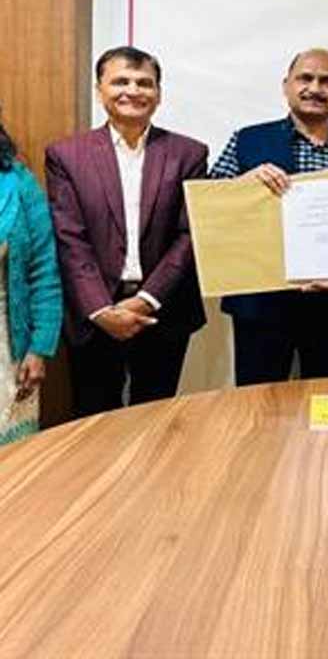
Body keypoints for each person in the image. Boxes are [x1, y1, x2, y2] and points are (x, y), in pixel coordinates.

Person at [210, 48, 328, 386]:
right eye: (305, 78)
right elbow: (211, 210)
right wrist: (244, 184)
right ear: (286, 86)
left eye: (327, 81)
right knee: (258, 403)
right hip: (260, 303)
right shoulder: (248, 140)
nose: (315, 88)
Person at [46, 46, 207, 416]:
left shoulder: (189, 153)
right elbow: (70, 238)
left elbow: (189, 234)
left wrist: (146, 299)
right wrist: (101, 309)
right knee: (94, 418)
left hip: (163, 309)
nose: (133, 91)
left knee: (154, 418)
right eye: (120, 81)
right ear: (99, 90)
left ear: (158, 94)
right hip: (95, 312)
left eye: (144, 83)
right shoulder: (66, 155)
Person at [0, 115, 62, 443]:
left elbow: (44, 272)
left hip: (8, 344)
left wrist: (39, 348)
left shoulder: (19, 183)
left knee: (14, 458)